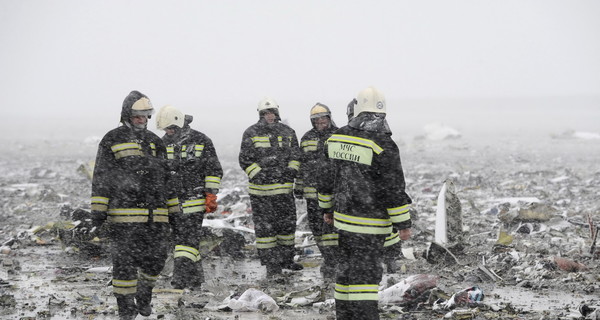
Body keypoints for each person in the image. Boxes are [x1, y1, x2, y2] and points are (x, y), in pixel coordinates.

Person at [318, 87, 412, 319]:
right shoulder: (383, 144)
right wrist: (403, 224)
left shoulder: (336, 137)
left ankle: (345, 316)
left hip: (343, 223)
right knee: (366, 280)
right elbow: (393, 188)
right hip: (370, 225)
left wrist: (327, 209)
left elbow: (325, 179)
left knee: (345, 273)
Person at [90, 91, 181, 320]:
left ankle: (145, 291)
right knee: (125, 265)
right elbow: (102, 176)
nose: (142, 120)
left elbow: (166, 179)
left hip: (156, 216)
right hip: (125, 216)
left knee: (156, 261)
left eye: (145, 116)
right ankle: (126, 308)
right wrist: (98, 214)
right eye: (138, 116)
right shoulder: (112, 138)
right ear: (127, 115)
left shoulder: (155, 141)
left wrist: (174, 211)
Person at [155, 105, 223, 290]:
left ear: (179, 123)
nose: (168, 132)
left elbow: (213, 170)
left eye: (171, 128)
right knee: (186, 242)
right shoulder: (162, 144)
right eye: (166, 129)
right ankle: (195, 280)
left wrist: (211, 194)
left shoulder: (201, 140)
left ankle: (179, 280)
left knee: (185, 241)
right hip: (173, 203)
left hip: (194, 200)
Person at [238, 97, 303, 279]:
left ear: (277, 113)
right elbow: (245, 159)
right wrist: (259, 174)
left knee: (287, 229)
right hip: (261, 193)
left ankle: (286, 259)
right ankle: (272, 266)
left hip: (283, 191)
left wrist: (291, 170)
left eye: (272, 112)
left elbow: (296, 155)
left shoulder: (288, 132)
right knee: (266, 231)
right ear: (261, 114)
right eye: (266, 113)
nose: (270, 116)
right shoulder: (251, 132)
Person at [296, 103, 339, 280]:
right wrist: (298, 187)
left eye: (323, 118)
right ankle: (328, 257)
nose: (320, 122)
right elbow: (302, 164)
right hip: (312, 194)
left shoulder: (339, 135)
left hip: (332, 193)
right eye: (317, 120)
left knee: (331, 227)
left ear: (329, 118)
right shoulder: (307, 138)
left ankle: (334, 261)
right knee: (316, 228)